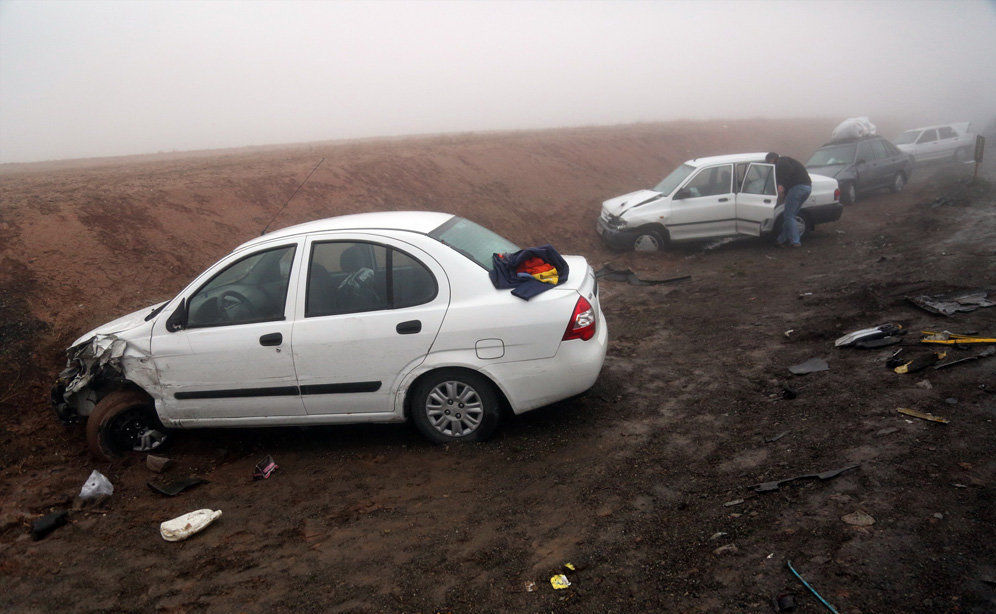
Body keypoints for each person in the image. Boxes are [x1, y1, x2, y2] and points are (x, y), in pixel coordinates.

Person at [765, 152, 811, 247]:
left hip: (797, 188)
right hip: (807, 188)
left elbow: (786, 171)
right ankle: (781, 240)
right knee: (790, 215)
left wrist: (781, 184)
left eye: (769, 162)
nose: (770, 165)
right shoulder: (788, 160)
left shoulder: (782, 161)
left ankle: (795, 241)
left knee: (789, 216)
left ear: (773, 159)